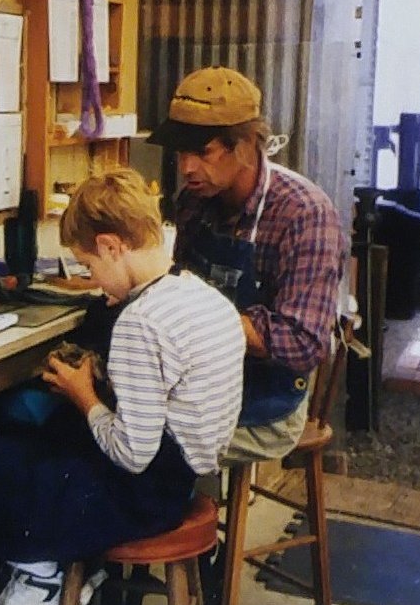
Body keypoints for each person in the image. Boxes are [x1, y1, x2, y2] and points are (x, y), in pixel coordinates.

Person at [0, 168, 245, 605]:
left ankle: (40, 573)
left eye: (89, 266)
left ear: (111, 246)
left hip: (142, 496)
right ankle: (61, 561)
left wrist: (82, 395)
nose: (93, 280)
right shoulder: (201, 296)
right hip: (184, 479)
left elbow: (132, 453)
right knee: (29, 442)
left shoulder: (141, 322)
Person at [147, 65, 348, 463]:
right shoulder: (194, 201)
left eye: (202, 152)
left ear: (244, 146)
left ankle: (189, 521)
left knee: (138, 440)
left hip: (268, 401)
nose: (186, 168)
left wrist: (202, 320)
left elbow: (302, 344)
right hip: (200, 384)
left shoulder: (304, 214)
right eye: (180, 153)